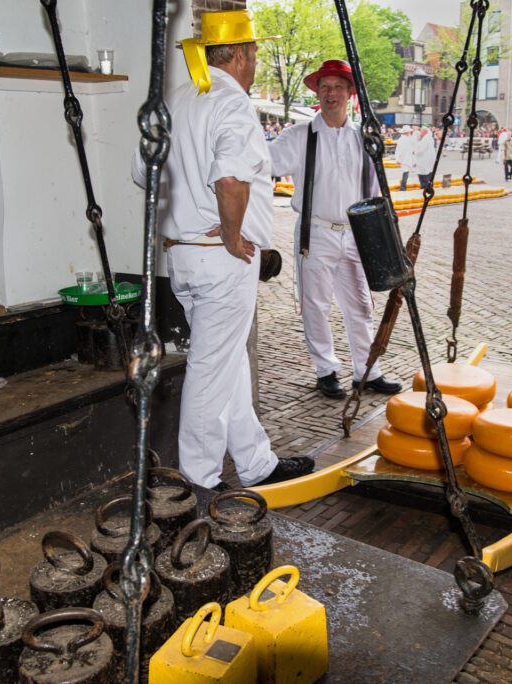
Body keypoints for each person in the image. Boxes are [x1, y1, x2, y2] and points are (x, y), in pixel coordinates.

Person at [132, 10, 312, 489]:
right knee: (210, 375)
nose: (255, 64)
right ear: (240, 55)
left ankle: (256, 462)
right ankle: (200, 481)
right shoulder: (232, 103)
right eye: (254, 54)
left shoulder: (176, 99)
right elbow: (230, 178)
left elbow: (141, 171)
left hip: (183, 256)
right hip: (221, 259)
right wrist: (233, 236)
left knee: (226, 364)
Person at [269, 59, 402, 399]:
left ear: (350, 94)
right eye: (324, 87)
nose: (331, 94)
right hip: (316, 232)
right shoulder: (299, 136)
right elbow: (264, 163)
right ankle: (326, 369)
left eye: (338, 87)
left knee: (360, 303)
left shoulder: (363, 138)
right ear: (317, 92)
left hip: (357, 233)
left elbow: (373, 189)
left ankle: (367, 369)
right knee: (315, 304)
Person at [394, 125, 415, 191]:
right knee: (406, 172)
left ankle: (403, 186)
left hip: (407, 157)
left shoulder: (407, 138)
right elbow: (399, 150)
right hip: (404, 158)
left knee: (406, 171)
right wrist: (398, 159)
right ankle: (403, 187)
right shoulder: (402, 140)